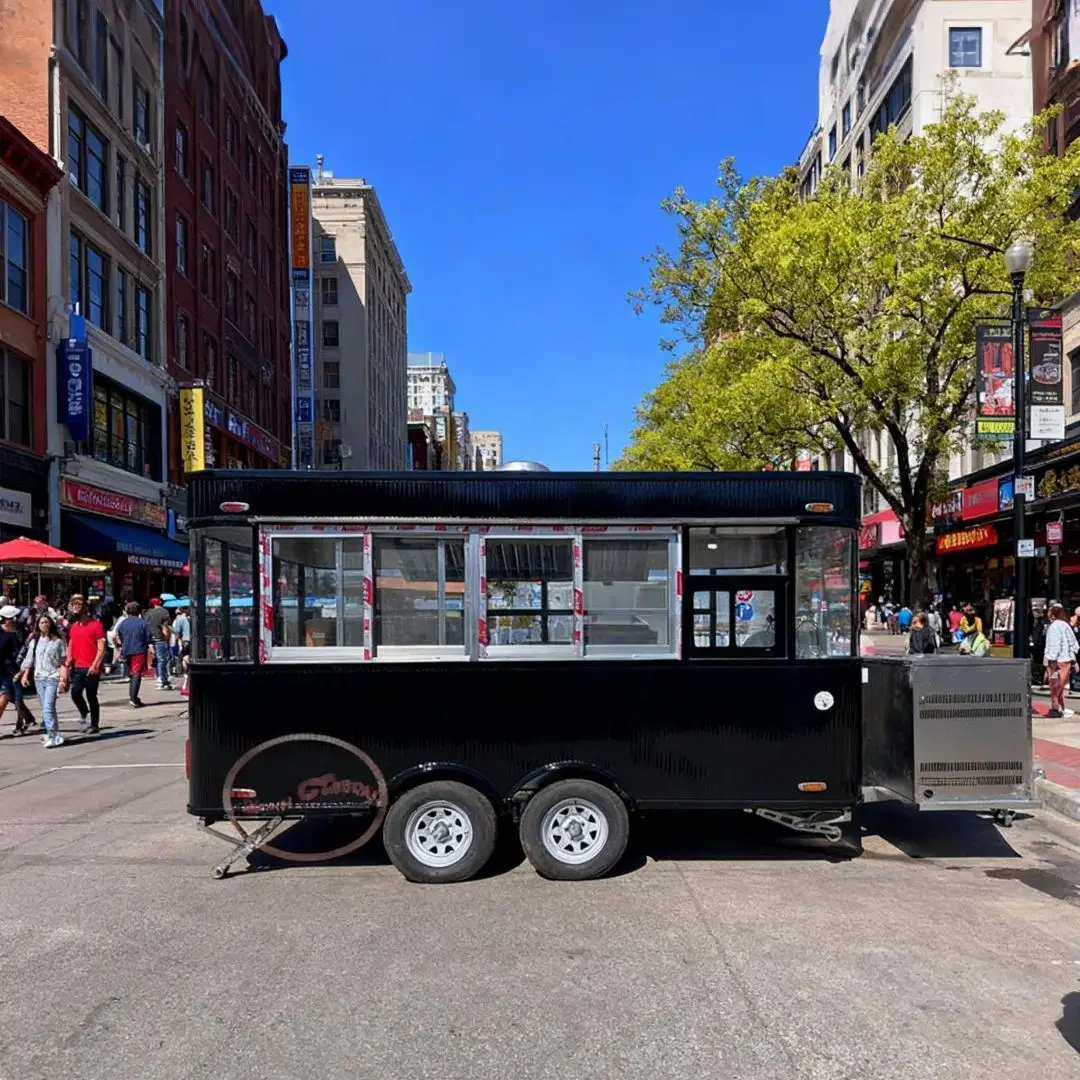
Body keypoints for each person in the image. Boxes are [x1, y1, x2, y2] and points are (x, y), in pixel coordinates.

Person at [20, 615, 67, 748]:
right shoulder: (34, 641)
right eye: (41, 622)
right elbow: (29, 660)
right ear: (38, 625)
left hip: (52, 677)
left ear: (50, 624)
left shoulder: (57, 641)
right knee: (47, 708)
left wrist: (63, 679)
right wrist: (24, 675)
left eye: (46, 622)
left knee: (47, 707)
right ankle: (55, 734)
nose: (44, 624)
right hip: (39, 678)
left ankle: (51, 735)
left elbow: (63, 661)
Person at [63, 594, 105, 733]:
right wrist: (68, 661)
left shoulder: (96, 625)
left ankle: (94, 724)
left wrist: (96, 664)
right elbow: (71, 644)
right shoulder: (74, 627)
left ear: (85, 608)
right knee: (75, 693)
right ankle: (84, 712)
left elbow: (101, 647)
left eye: (78, 604)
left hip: (91, 666)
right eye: (73, 604)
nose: (75, 607)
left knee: (91, 695)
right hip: (78, 666)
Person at [1044, 603, 1078, 718]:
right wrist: (1073, 660)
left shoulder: (1054, 626)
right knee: (1061, 686)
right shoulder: (1066, 625)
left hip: (1056, 662)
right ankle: (1060, 708)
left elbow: (1054, 645)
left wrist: (1051, 661)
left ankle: (1055, 708)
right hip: (1066, 661)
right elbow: (1073, 644)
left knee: (1055, 686)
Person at [117, 602, 152, 707]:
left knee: (132, 674)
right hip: (139, 650)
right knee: (137, 673)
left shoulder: (123, 623)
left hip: (126, 650)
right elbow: (148, 638)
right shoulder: (143, 623)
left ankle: (133, 696)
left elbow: (120, 636)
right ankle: (133, 697)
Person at [0, 605, 24, 733]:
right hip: (5, 670)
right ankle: (28, 719)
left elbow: (19, 652)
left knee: (12, 697)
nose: (15, 620)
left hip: (12, 671)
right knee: (13, 698)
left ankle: (20, 724)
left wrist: (21, 670)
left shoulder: (15, 633)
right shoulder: (7, 634)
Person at [144, 597, 173, 690]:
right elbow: (166, 626)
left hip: (150, 638)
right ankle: (161, 679)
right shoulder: (164, 612)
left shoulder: (147, 613)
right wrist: (167, 639)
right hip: (160, 638)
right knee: (162, 659)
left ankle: (161, 677)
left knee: (156, 659)